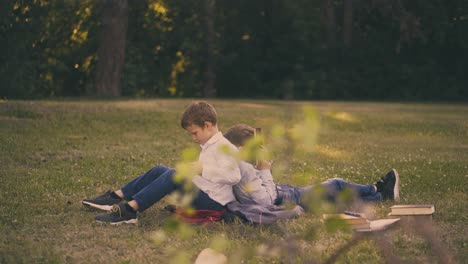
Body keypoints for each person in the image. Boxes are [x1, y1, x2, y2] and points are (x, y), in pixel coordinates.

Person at [82, 101, 241, 225]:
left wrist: (202, 170)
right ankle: (115, 197)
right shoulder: (209, 145)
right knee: (160, 170)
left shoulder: (225, 147)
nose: (193, 138)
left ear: (207, 125)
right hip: (204, 194)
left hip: (214, 204)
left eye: (195, 133)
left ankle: (130, 211)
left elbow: (234, 176)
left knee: (173, 174)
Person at [223, 124, 400, 211]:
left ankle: (380, 196)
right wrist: (264, 170)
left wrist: (263, 166)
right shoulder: (243, 171)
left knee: (336, 200)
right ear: (243, 149)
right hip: (288, 199)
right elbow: (266, 201)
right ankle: (376, 188)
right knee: (336, 185)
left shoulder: (239, 166)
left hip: (284, 192)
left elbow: (260, 189)